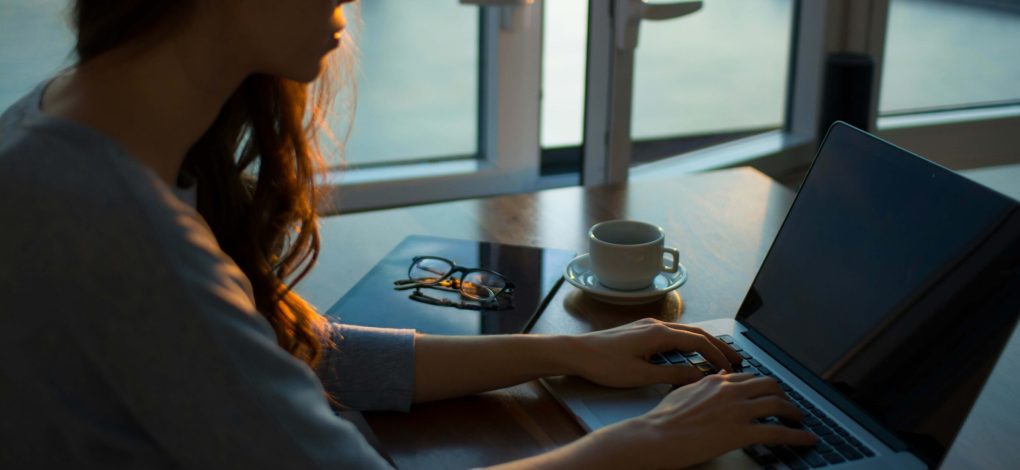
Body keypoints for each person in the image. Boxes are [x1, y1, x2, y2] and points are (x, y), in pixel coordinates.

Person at [0, 0, 816, 468]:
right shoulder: (121, 232)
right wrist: (647, 440)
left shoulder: (62, 124)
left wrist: (561, 353)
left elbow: (275, 352)